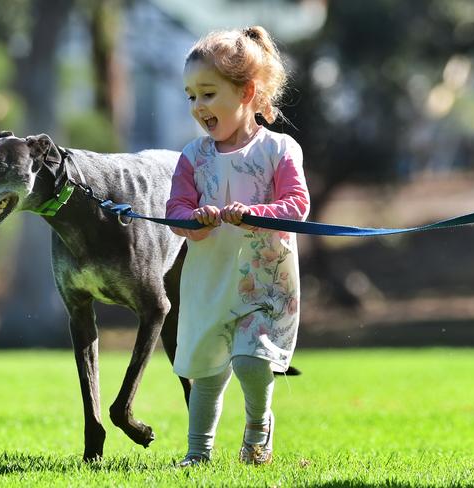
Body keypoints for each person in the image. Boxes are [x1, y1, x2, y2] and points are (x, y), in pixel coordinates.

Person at [166, 25, 310, 467]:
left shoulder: (279, 149)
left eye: (207, 94)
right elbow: (176, 210)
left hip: (263, 283)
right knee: (205, 372)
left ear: (246, 92)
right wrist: (196, 220)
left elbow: (297, 205)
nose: (197, 106)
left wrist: (252, 213)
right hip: (209, 282)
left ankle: (257, 428)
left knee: (251, 360)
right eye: (191, 96)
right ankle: (197, 454)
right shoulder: (193, 157)